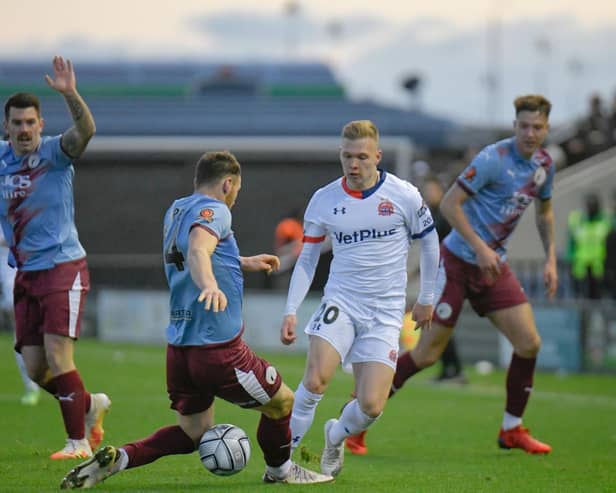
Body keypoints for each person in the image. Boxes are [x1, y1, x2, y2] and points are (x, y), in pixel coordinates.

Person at [61, 151, 333, 489]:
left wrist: (243, 262)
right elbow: (198, 249)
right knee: (283, 403)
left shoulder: (176, 209)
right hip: (218, 350)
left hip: (180, 349)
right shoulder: (215, 210)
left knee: (193, 431)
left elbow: (198, 249)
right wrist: (211, 285)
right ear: (228, 183)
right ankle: (280, 470)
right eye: (237, 190)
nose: (235, 197)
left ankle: (121, 459)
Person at [348, 95, 558, 455]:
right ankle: (354, 421)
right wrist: (479, 247)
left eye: (537, 127)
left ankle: (512, 429)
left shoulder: (543, 165)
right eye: (523, 126)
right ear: (514, 126)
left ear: (546, 129)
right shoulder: (494, 158)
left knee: (529, 343)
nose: (530, 133)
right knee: (427, 355)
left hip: (493, 267)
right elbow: (448, 204)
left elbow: (545, 213)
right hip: (459, 262)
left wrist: (550, 258)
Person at [280, 120, 440, 477]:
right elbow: (307, 259)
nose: (354, 164)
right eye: (347, 156)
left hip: (384, 312)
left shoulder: (404, 195)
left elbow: (430, 242)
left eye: (362, 157)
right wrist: (291, 309)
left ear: (378, 156)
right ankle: (282, 463)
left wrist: (426, 298)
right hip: (341, 302)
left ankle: (334, 435)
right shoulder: (324, 199)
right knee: (316, 379)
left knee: (371, 406)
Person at [1, 57, 110, 460]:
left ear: (41, 125)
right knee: (35, 368)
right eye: (17, 123)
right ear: (6, 126)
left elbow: (86, 131)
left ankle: (77, 443)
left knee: (59, 356)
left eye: (31, 122)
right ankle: (88, 405)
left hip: (62, 268)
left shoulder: (55, 154)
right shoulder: (0, 160)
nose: (25, 129)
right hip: (25, 273)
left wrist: (69, 93)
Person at [0, 228, 40, 405]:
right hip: (6, 276)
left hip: (16, 273)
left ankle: (32, 383)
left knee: (21, 327)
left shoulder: (16, 207)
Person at [566, 192, 611, 299]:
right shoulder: (577, 221)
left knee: (599, 297)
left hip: (599, 267)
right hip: (580, 266)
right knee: (582, 297)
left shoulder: (605, 221)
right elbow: (571, 243)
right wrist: (569, 259)